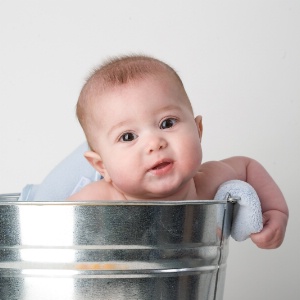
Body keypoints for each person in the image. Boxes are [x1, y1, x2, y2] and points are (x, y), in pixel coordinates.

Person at [67, 54, 288, 249]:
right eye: (128, 136)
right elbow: (51, 225)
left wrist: (275, 213)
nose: (154, 143)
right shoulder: (100, 200)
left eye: (167, 123)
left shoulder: (207, 182)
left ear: (198, 131)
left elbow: (247, 167)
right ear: (101, 166)